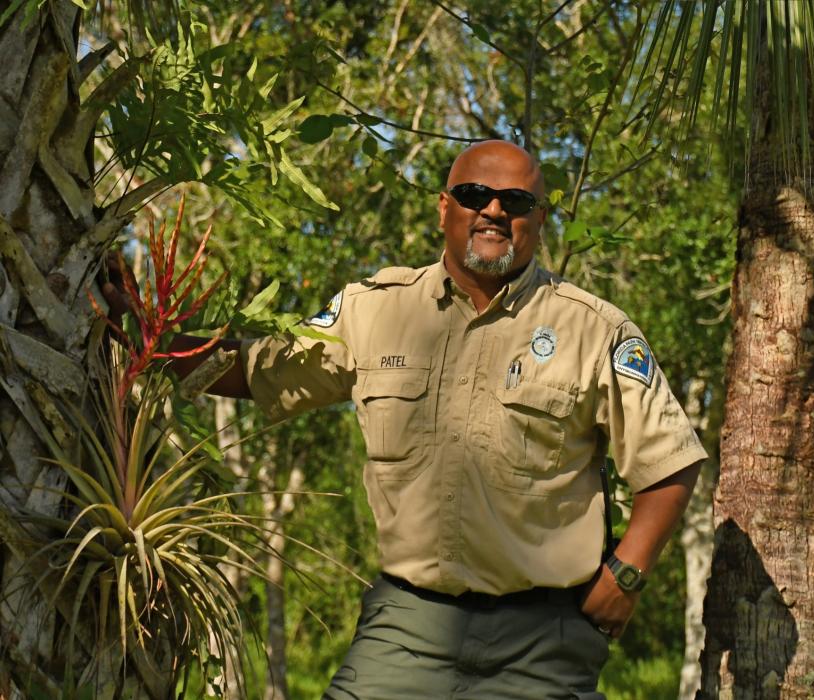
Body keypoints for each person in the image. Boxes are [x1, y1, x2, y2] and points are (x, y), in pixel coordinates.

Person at [105, 140, 706, 699]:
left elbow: (668, 463)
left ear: (538, 218)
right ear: (444, 209)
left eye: (516, 201)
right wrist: (145, 334)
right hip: (408, 622)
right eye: (475, 196)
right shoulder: (375, 309)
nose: (494, 211)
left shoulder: (593, 329)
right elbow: (259, 369)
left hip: (543, 635)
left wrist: (626, 575)